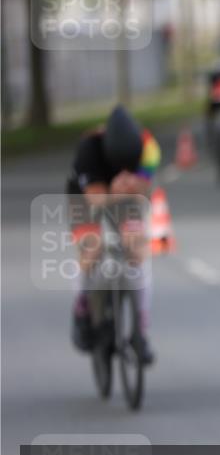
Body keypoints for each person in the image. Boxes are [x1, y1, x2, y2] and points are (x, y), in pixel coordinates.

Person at [67, 105, 159, 364]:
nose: (125, 170)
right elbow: (95, 201)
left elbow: (144, 189)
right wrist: (123, 191)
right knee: (93, 247)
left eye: (130, 166)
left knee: (137, 249)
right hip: (85, 197)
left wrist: (134, 189)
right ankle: (82, 305)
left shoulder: (148, 146)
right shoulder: (89, 150)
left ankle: (140, 330)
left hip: (122, 198)